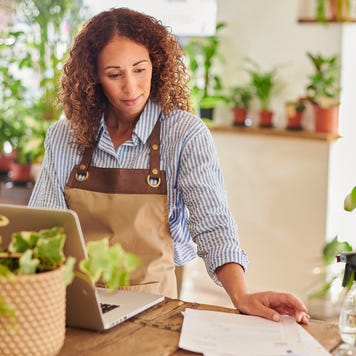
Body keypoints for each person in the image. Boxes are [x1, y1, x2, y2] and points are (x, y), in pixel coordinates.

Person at [29, 7, 310, 324]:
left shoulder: (184, 134)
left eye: (140, 69)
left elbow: (213, 225)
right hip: (74, 300)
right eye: (115, 74)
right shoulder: (64, 136)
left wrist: (241, 295)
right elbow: (43, 227)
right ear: (93, 76)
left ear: (156, 65)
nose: (131, 87)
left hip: (152, 305)